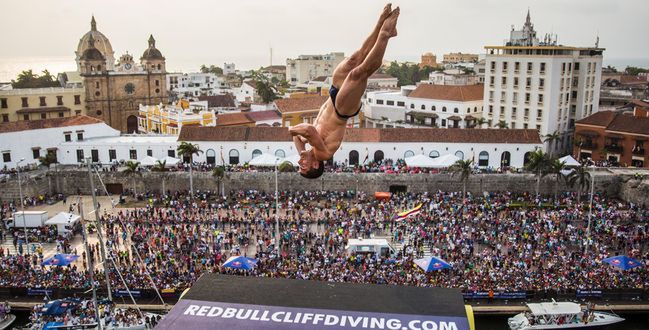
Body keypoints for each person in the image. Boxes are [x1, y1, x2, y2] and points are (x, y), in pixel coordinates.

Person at [290, 4, 400, 179]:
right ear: (316, 165)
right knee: (359, 72)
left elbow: (298, 137)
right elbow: (309, 130)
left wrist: (301, 150)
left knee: (354, 59)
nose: (299, 163)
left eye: (299, 166)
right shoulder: (322, 154)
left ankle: (380, 23)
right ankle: (385, 34)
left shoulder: (307, 148)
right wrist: (292, 132)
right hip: (342, 110)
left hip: (333, 95)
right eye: (303, 167)